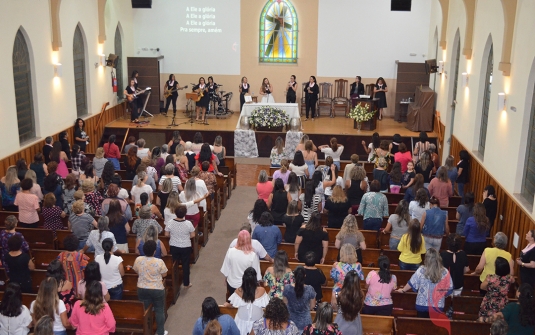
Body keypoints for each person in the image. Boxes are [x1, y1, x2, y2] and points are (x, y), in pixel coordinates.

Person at [396, 248, 454, 318]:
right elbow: (449, 289)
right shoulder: (445, 272)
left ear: (426, 259)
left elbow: (412, 282)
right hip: (437, 306)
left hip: (421, 305)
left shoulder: (421, 270)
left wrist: (403, 290)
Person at [132, 240, 168, 335]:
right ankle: (160, 332)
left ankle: (148, 330)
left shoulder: (138, 260)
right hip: (157, 289)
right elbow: (164, 274)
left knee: (146, 310)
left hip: (142, 288)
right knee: (159, 310)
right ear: (154, 251)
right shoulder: (159, 261)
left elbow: (136, 270)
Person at [227, 267, 269, 335]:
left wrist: (227, 305)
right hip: (258, 323)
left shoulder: (238, 290)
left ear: (244, 279)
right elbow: (267, 305)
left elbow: (232, 305)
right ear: (255, 279)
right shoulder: (261, 290)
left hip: (241, 322)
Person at [220, 230, 262, 296]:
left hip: (232, 284)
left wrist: (226, 279)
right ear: (249, 240)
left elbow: (226, 268)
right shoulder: (253, 255)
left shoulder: (230, 251)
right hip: (247, 287)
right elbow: (257, 275)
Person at [164, 206, 194, 288]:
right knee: (185, 265)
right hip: (185, 246)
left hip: (174, 246)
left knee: (174, 264)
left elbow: (166, 234)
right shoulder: (188, 223)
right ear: (185, 214)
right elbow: (192, 235)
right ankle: (186, 283)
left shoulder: (170, 222)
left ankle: (175, 281)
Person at [478, 257, 515, 322]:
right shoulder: (510, 278)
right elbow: (513, 282)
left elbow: (482, 287)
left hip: (490, 302)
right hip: (502, 303)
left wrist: (490, 289)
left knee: (485, 320)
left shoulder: (490, 278)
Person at [282, 266, 316, 332]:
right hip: (305, 322)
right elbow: (312, 306)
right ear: (305, 275)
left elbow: (285, 303)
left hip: (290, 320)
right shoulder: (310, 289)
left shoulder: (287, 288)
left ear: (294, 275)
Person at [332, 270, 364, 334]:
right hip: (356, 322)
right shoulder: (361, 295)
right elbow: (360, 308)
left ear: (345, 281)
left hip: (340, 322)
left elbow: (335, 308)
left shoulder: (336, 294)